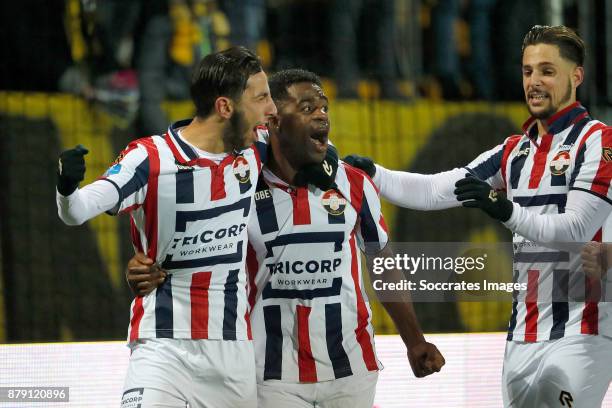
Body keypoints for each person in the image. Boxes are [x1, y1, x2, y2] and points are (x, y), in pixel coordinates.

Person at [127, 69, 445, 407]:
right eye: (307, 108)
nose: (321, 115)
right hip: (271, 374)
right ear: (274, 122)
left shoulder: (354, 184)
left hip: (353, 368)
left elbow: (382, 263)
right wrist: (145, 267)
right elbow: (196, 246)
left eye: (324, 108)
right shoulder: (240, 186)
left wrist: (414, 340)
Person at [345, 25, 612, 407]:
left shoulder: (600, 142)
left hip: (584, 332)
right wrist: (375, 174)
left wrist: (504, 209)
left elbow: (575, 229)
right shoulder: (512, 152)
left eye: (547, 71)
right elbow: (439, 188)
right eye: (527, 71)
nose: (534, 82)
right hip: (522, 334)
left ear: (576, 76)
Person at [57, 47, 336, 408]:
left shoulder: (256, 150)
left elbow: (319, 153)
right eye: (262, 98)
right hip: (162, 348)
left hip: (233, 354)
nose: (271, 110)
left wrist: (326, 163)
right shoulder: (149, 158)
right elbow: (76, 211)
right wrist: (66, 189)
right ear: (225, 107)